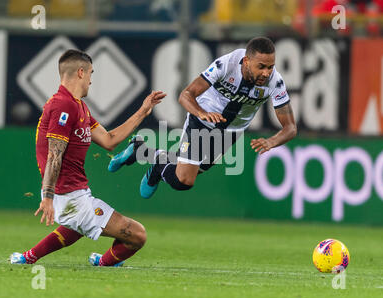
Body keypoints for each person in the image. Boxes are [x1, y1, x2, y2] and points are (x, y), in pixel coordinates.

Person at [9, 49, 166, 266]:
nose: (91, 80)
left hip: (77, 194)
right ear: (81, 72)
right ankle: (103, 263)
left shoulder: (79, 107)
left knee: (76, 227)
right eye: (91, 73)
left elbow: (109, 140)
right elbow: (55, 154)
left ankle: (28, 258)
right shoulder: (63, 105)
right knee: (138, 235)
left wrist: (143, 110)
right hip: (67, 195)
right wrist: (47, 196)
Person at [108, 36, 297, 199]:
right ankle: (156, 165)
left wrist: (272, 142)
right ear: (246, 61)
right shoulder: (226, 65)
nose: (266, 73)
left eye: (270, 67)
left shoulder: (275, 81)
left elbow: (290, 128)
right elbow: (185, 95)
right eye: (261, 66)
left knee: (193, 171)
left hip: (230, 132)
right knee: (184, 180)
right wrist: (201, 113)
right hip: (203, 120)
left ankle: (140, 151)